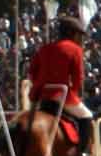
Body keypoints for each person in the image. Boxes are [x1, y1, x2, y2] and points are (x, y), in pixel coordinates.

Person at [27, 14, 90, 143]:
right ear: (71, 33)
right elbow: (78, 78)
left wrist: (40, 85)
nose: (80, 38)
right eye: (79, 35)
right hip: (62, 96)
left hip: (40, 96)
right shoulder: (75, 49)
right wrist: (75, 92)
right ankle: (83, 151)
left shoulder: (44, 48)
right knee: (87, 116)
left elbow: (32, 72)